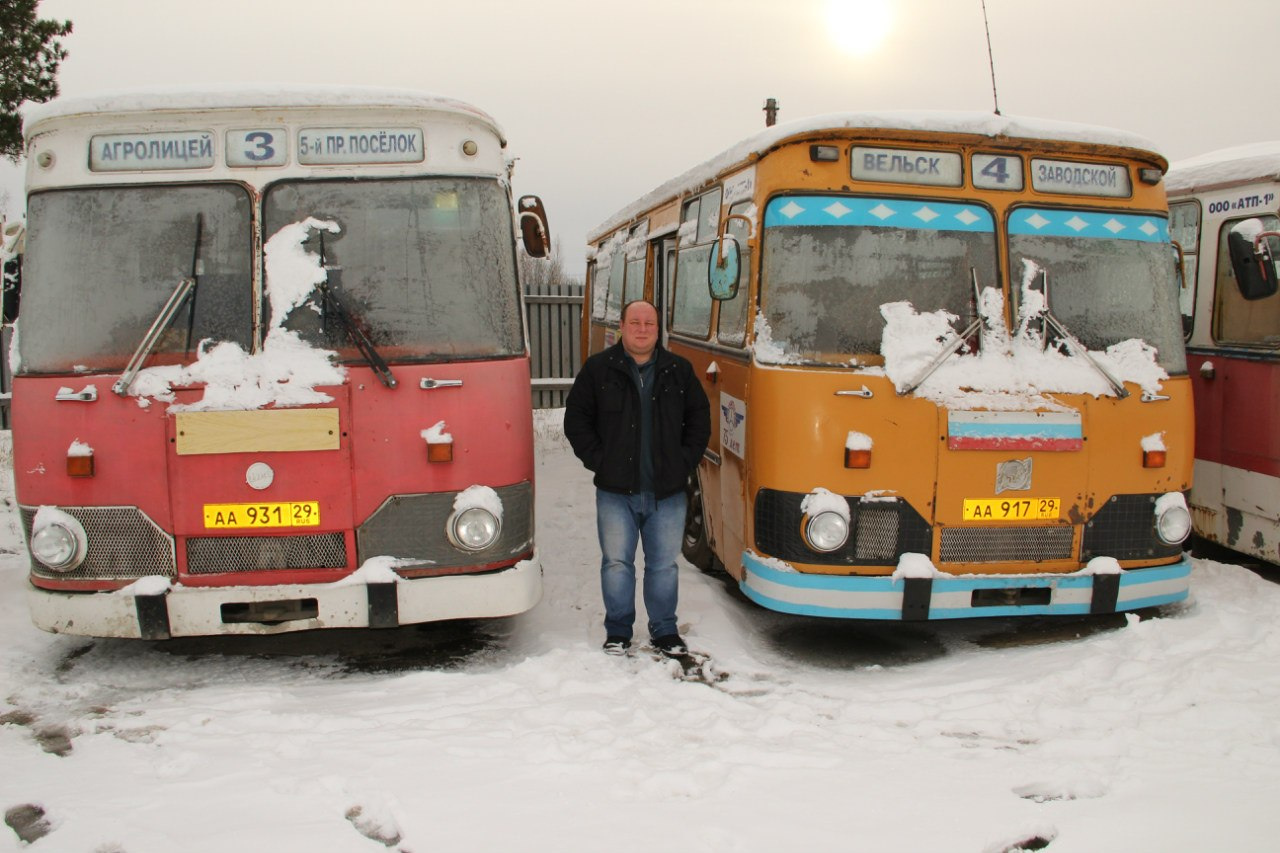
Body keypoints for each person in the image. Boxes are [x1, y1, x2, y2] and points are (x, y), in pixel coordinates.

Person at [563, 300, 710, 656]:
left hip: (667, 493)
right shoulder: (599, 370)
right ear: (622, 327)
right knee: (616, 563)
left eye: (649, 323)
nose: (642, 329)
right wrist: (601, 462)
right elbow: (576, 421)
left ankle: (664, 631)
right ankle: (618, 631)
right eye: (635, 322)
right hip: (616, 493)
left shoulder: (679, 371)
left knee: (663, 566)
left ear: (658, 329)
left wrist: (683, 462)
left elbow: (700, 420)